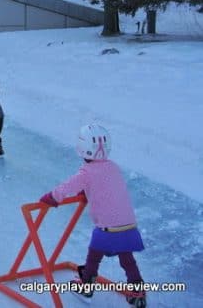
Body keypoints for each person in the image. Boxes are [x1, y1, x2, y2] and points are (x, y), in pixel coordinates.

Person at [39, 124, 146, 307]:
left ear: (82, 148)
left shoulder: (86, 172)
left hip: (107, 229)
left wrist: (52, 197)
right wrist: (87, 192)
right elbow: (105, 187)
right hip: (129, 226)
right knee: (127, 260)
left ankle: (86, 284)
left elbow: (68, 187)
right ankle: (138, 292)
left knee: (94, 255)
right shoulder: (113, 167)